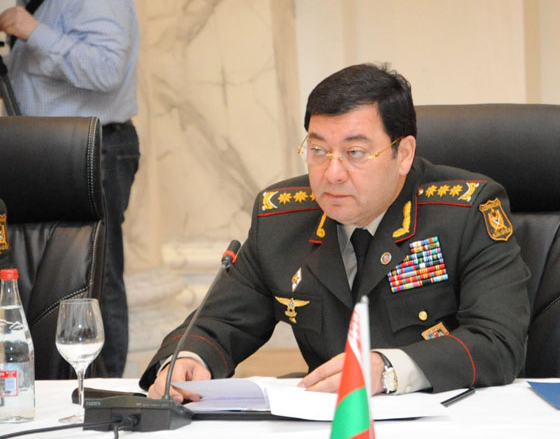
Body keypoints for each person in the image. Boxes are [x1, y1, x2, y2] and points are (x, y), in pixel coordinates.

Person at [140, 63, 531, 400]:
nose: (332, 173)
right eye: (318, 150)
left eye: (355, 152)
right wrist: (188, 359)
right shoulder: (281, 219)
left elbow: (497, 341)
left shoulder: (464, 212)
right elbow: (221, 322)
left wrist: (388, 369)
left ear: (404, 154)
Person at [0, 0, 140, 377]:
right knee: (45, 273)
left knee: (96, 273)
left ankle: (103, 391)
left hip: (92, 151)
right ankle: (55, 385)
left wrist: (34, 32)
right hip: (42, 151)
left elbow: (107, 70)